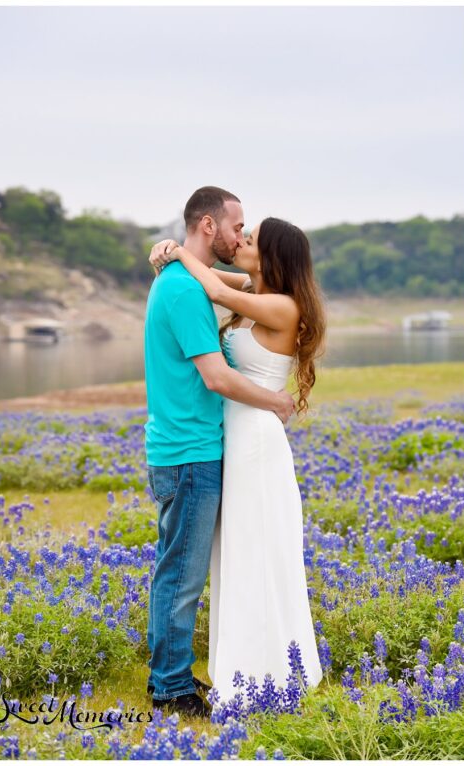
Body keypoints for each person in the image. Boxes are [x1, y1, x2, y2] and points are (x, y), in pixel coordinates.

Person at [149, 215, 326, 704]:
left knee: (256, 551)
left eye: (251, 239)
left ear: (272, 257)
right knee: (235, 553)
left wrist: (181, 253)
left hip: (255, 443)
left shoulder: (281, 306)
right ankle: (240, 666)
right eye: (242, 233)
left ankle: (265, 669)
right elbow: (213, 281)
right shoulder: (254, 287)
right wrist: (176, 253)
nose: (242, 240)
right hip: (232, 437)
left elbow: (219, 293)